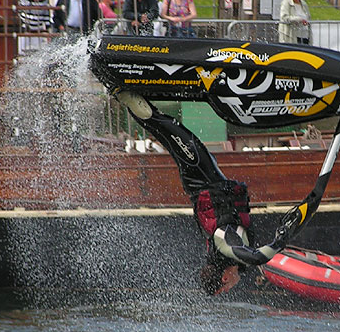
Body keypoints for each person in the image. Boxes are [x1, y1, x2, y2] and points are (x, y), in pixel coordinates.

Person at [115, 91, 289, 295]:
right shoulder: (233, 260)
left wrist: (280, 242)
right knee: (164, 131)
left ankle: (122, 93)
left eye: (225, 289)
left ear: (224, 278)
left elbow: (257, 257)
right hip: (207, 179)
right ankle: (124, 95)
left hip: (199, 177)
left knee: (167, 128)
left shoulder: (224, 248)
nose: (230, 289)